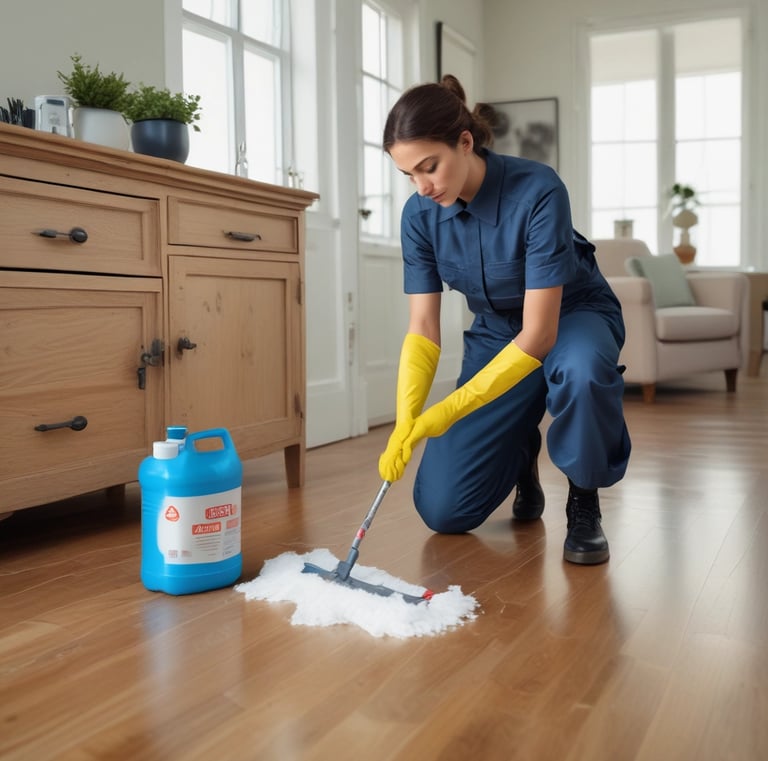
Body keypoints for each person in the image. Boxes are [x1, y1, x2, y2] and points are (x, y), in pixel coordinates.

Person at [377, 75, 631, 565]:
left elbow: (540, 333)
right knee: (443, 509)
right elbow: (424, 327)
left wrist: (447, 410)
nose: (422, 186)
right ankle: (520, 454)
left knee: (579, 371)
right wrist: (407, 414)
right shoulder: (419, 216)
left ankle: (583, 499)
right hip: (497, 330)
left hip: (572, 316)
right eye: (408, 175)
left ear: (465, 142)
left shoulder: (537, 190)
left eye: (429, 167)